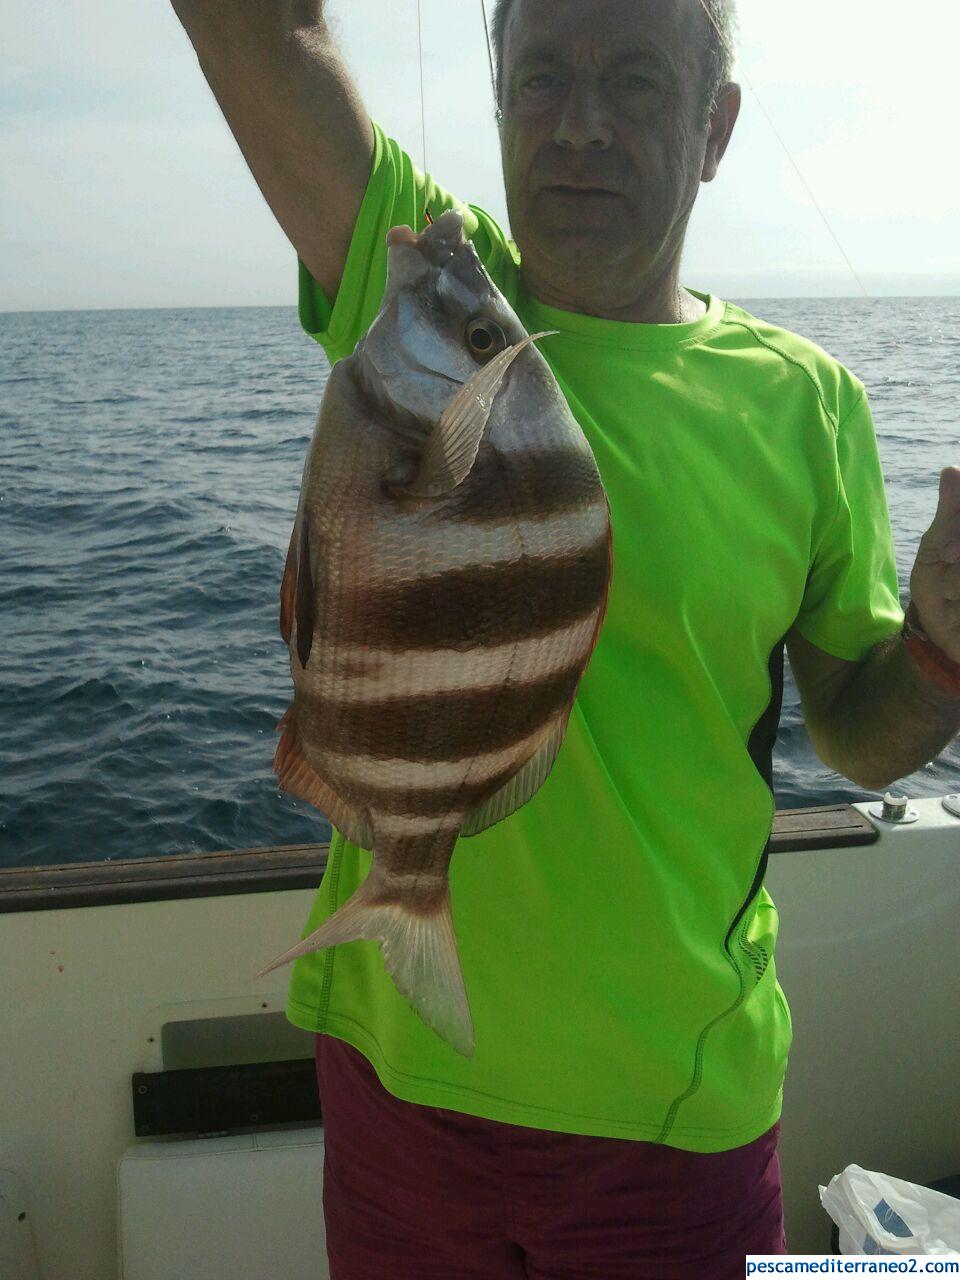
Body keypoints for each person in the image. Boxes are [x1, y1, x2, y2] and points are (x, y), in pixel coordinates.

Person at [171, 0, 960, 1274]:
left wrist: (938, 649)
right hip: (399, 1081)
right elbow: (256, 31)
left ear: (716, 128)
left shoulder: (810, 403)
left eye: (636, 81)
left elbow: (860, 740)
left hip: (678, 1116)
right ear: (497, 103)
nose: (579, 125)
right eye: (541, 77)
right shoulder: (434, 291)